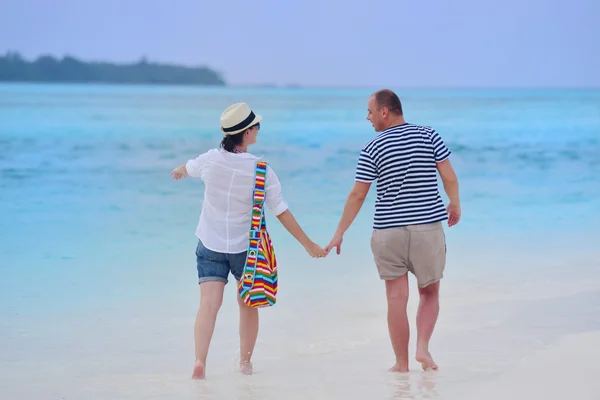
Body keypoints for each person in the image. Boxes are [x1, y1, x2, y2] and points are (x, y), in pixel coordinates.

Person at [171, 102, 326, 379]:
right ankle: (244, 364)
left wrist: (180, 170)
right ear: (247, 133)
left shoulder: (209, 159)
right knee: (248, 305)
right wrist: (308, 243)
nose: (258, 130)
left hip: (210, 244)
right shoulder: (260, 169)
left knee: (208, 305)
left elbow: (189, 167)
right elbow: (281, 210)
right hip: (245, 249)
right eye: (256, 127)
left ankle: (199, 362)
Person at [325, 89, 461, 372]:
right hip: (426, 228)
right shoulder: (428, 135)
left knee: (396, 298)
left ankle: (401, 364)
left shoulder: (372, 147)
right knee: (430, 293)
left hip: (388, 232)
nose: (368, 117)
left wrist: (340, 232)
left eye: (370, 111)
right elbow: (448, 175)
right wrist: (455, 204)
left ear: (384, 111)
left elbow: (357, 196)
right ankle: (422, 348)